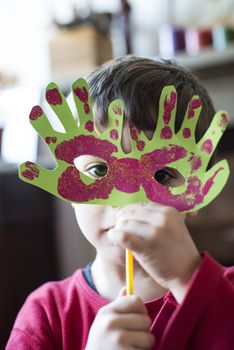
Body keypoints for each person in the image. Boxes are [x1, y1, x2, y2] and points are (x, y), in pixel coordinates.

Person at [6, 56, 234, 349]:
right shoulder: (46, 315)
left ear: (201, 191)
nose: (128, 199)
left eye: (162, 175)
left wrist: (189, 279)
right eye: (99, 171)